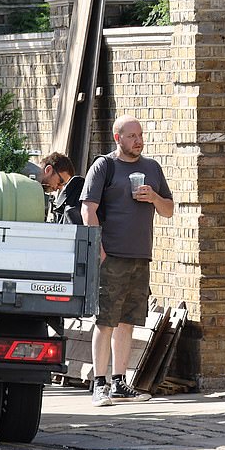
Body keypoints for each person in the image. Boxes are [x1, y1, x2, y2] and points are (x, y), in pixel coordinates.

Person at [80, 115, 174, 406]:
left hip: (140, 255)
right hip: (112, 255)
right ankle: (99, 384)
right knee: (105, 320)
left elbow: (169, 210)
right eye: (132, 136)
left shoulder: (152, 168)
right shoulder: (104, 166)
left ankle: (120, 382)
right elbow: (88, 209)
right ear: (118, 138)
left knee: (127, 322)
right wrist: (99, 248)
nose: (138, 140)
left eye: (140, 135)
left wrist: (154, 197)